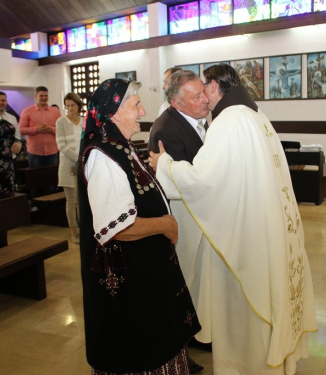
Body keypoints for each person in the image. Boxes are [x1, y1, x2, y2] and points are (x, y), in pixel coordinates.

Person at [149, 64, 317, 374]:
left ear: (214, 87)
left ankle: (246, 366)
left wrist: (165, 164)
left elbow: (204, 182)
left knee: (243, 314)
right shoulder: (255, 116)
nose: (203, 98)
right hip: (266, 227)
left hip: (246, 235)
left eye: (204, 90)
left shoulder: (228, 122)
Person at [78, 79, 200, 375]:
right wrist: (165, 223)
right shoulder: (103, 155)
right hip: (127, 273)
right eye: (136, 105)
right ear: (115, 113)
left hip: (144, 267)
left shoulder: (122, 146)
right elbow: (114, 227)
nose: (143, 110)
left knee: (160, 333)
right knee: (139, 343)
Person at [148, 69, 210, 374]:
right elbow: (177, 182)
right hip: (182, 217)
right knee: (183, 283)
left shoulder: (196, 120)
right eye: (196, 95)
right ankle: (181, 350)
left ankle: (198, 332)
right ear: (177, 102)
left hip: (198, 214)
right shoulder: (166, 130)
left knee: (197, 280)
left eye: (204, 91)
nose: (205, 99)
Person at [56, 92, 83, 244]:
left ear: (78, 105)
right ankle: (74, 232)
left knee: (81, 200)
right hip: (68, 165)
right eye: (67, 106)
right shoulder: (61, 121)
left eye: (72, 105)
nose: (70, 108)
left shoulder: (84, 121)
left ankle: (83, 229)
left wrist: (84, 158)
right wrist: (78, 158)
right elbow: (61, 146)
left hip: (82, 164)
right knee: (71, 200)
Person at [19, 86, 61, 167]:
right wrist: (36, 129)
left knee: (52, 176)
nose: (44, 98)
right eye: (41, 96)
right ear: (36, 96)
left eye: (46, 96)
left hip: (52, 151)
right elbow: (21, 129)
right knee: (36, 177)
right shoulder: (27, 111)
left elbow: (61, 130)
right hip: (35, 152)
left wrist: (51, 129)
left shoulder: (55, 112)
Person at [0, 91, 23, 158]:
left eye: (3, 100)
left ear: (6, 102)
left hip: (11, 156)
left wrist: (18, 143)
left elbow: (18, 135)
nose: (0, 102)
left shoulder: (12, 118)